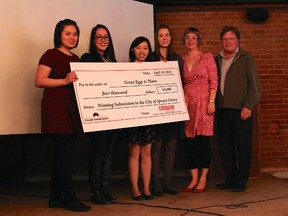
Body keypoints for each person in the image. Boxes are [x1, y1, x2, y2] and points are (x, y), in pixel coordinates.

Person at [34, 19, 91, 212]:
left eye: (75, 34)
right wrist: (64, 81)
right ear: (59, 34)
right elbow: (39, 80)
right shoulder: (50, 54)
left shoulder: (76, 58)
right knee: (64, 156)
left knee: (61, 156)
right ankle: (70, 199)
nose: (72, 37)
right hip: (57, 110)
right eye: (68, 33)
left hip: (72, 111)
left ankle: (55, 198)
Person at [215, 26, 261, 192]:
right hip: (222, 110)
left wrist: (248, 106)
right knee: (225, 148)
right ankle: (230, 178)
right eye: (225, 39)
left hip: (241, 110)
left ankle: (241, 181)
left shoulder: (246, 58)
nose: (227, 42)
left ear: (238, 41)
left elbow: (255, 87)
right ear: (222, 41)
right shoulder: (216, 59)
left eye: (231, 39)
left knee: (243, 148)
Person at [80, 24, 119, 204]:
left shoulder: (112, 60)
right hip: (97, 116)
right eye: (99, 37)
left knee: (109, 154)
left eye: (106, 37)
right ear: (93, 40)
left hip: (113, 116)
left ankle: (104, 189)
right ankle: (95, 192)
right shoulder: (87, 58)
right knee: (99, 153)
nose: (103, 40)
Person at [181, 27, 218, 193]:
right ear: (184, 41)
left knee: (204, 141)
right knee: (189, 143)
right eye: (187, 37)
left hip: (204, 104)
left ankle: (203, 178)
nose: (190, 40)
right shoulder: (181, 60)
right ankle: (194, 178)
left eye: (193, 38)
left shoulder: (207, 57)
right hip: (187, 106)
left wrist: (212, 101)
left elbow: (214, 81)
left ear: (198, 40)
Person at [150, 24, 184, 196]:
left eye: (167, 35)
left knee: (171, 145)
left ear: (171, 38)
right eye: (161, 35)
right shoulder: (150, 58)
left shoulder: (177, 59)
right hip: (156, 109)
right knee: (156, 146)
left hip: (173, 107)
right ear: (156, 38)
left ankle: (168, 183)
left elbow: (181, 83)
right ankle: (155, 184)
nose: (164, 38)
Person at [122, 36, 155, 201]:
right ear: (132, 50)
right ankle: (135, 188)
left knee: (147, 151)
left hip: (149, 115)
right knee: (134, 151)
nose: (142, 51)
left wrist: (165, 69)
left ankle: (147, 188)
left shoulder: (154, 68)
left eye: (145, 48)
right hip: (132, 116)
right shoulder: (125, 68)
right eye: (138, 48)